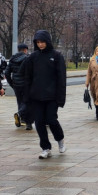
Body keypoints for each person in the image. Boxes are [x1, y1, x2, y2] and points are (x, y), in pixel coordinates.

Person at [23, 30, 67, 159]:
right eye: (38, 42)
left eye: (42, 42)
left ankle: (60, 140)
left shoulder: (57, 56)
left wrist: (61, 98)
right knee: (39, 122)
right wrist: (27, 96)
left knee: (51, 119)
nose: (40, 44)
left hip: (52, 96)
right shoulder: (32, 57)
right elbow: (27, 77)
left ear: (47, 41)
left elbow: (61, 78)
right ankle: (45, 147)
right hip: (36, 96)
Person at [7, 43, 32, 130]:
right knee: (28, 102)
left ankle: (22, 120)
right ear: (25, 50)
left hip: (16, 84)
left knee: (20, 101)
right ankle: (26, 121)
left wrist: (11, 83)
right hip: (26, 84)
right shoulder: (28, 58)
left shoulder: (12, 59)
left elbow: (7, 73)